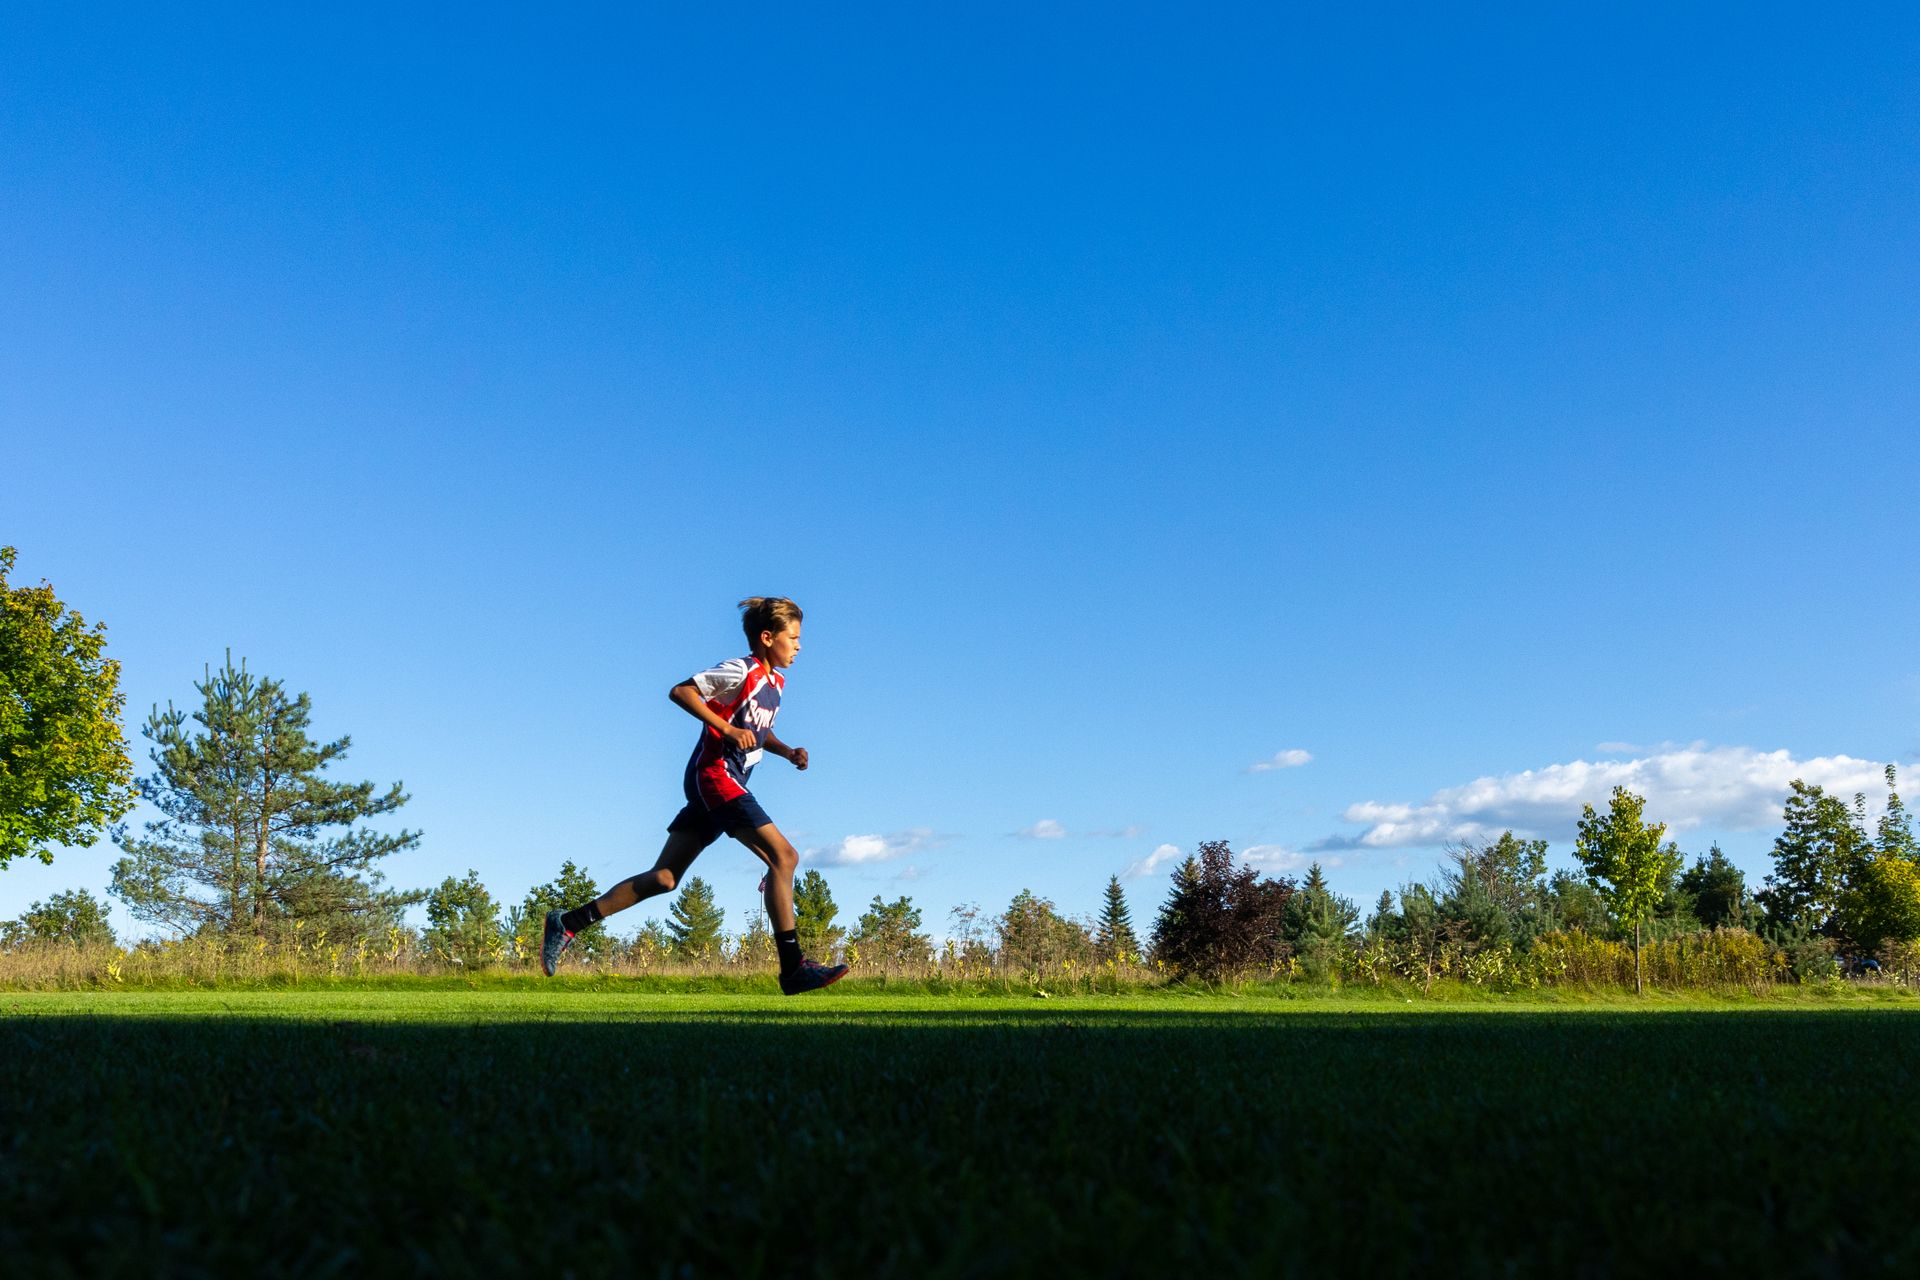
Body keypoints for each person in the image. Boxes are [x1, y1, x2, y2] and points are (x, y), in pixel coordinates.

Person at [541, 597, 850, 994]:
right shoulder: (741, 670)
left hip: (730, 779)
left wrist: (787, 750)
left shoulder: (776, 684)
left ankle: (568, 923)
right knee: (784, 857)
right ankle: (793, 968)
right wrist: (722, 728)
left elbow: (757, 730)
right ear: (767, 637)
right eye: (794, 638)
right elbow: (682, 692)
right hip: (715, 776)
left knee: (665, 878)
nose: (799, 646)